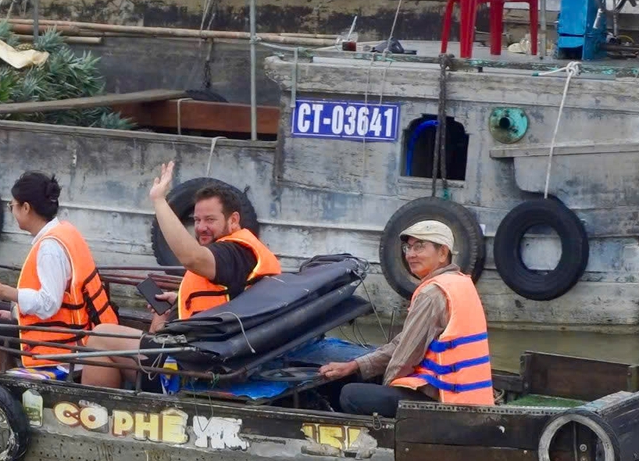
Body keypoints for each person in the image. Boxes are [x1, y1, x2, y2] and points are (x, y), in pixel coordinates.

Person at [0, 172, 139, 387]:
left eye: (13, 207)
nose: (12, 212)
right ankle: (5, 375)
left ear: (26, 208)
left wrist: (6, 292)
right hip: (77, 326)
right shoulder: (65, 231)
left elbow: (49, 303)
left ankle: (0, 389)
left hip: (61, 342)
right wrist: (13, 312)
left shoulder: (49, 248)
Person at [318, 220, 493, 417]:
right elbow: (401, 343)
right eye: (407, 247)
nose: (410, 255)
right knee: (365, 374)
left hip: (446, 405)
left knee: (350, 394)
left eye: (419, 247)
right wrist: (354, 365)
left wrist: (385, 389)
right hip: (466, 398)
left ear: (443, 253)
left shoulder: (432, 293)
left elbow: (404, 357)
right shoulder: (460, 283)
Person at [143, 162, 280, 334]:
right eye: (197, 220)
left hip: (194, 351)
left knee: (101, 335)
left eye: (210, 219)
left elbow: (192, 258)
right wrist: (179, 300)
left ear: (234, 220)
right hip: (198, 340)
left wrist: (159, 201)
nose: (200, 227)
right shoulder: (241, 253)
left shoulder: (234, 252)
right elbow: (230, 295)